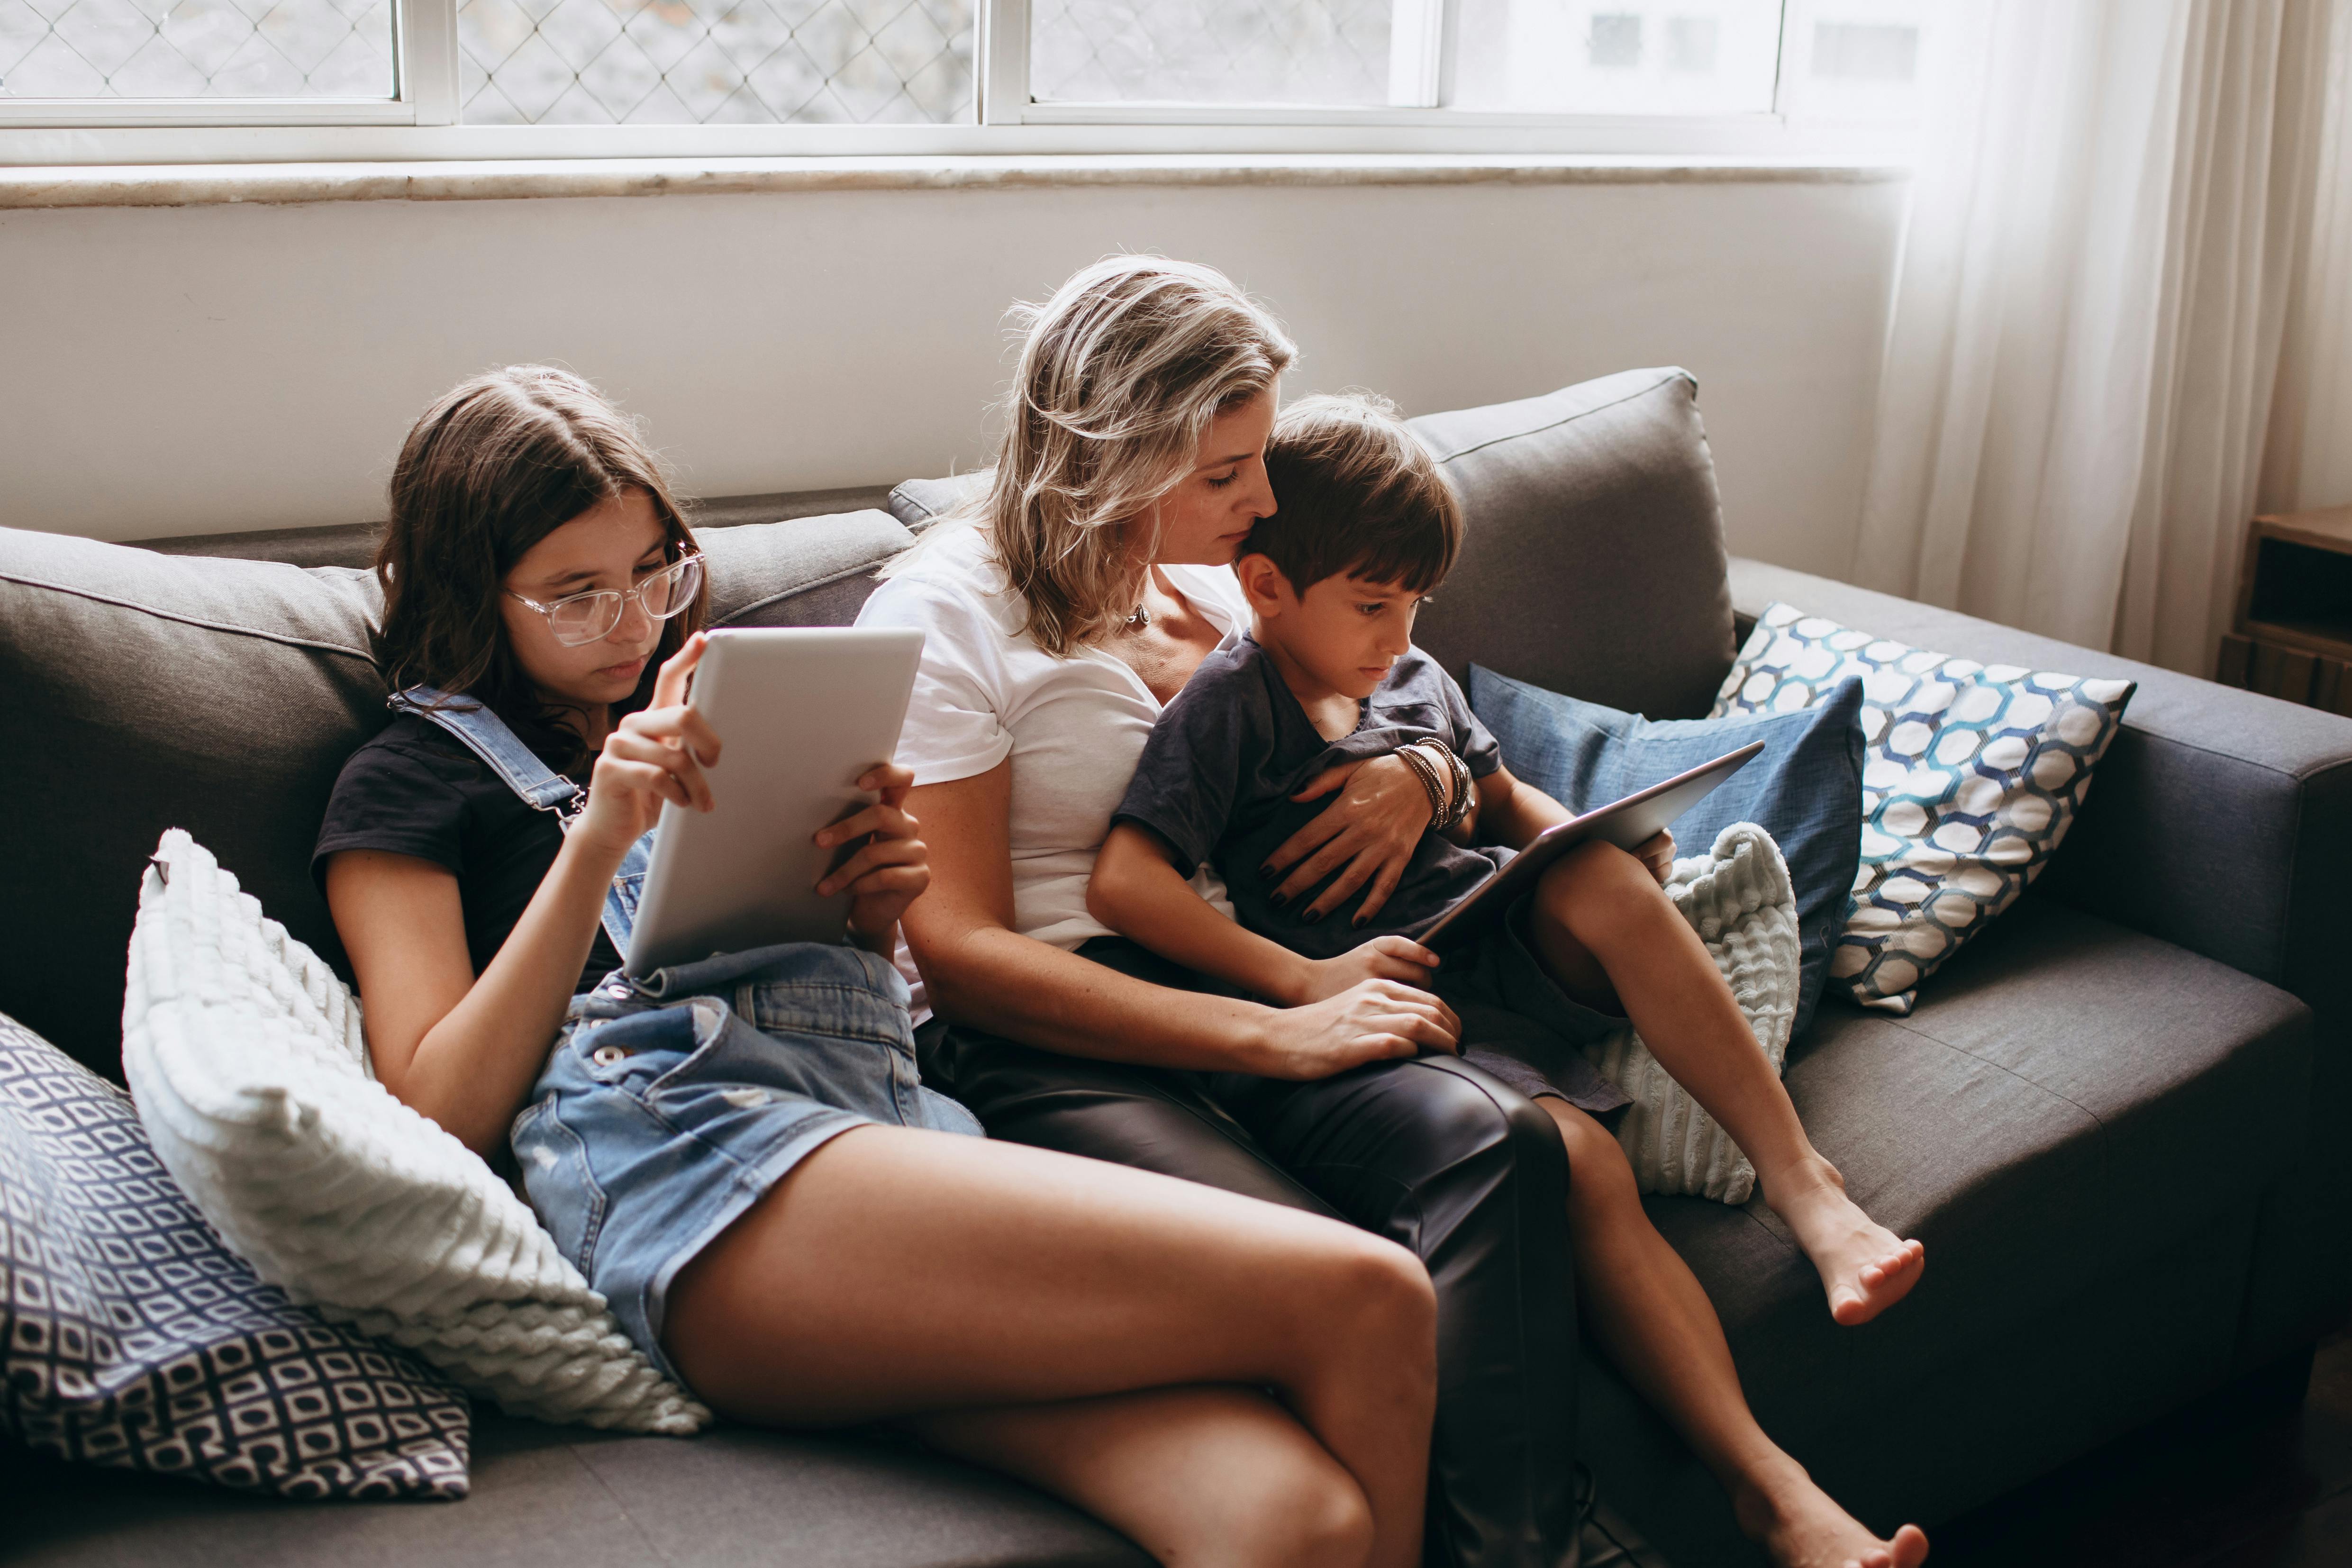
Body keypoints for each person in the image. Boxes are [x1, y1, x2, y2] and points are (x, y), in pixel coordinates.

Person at [317, 364, 1443, 1568]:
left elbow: (807, 987)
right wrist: (597, 840)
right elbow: (437, 1105)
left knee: (1288, 1513)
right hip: (686, 1168)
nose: (633, 623)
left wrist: (871, 908)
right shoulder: (408, 783)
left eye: (653, 572)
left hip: (873, 1121)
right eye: (576, 595)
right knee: (1369, 1293)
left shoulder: (720, 707)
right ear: (472, 592)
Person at [1086, 392, 1932, 1568]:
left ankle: (1804, 1184)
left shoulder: (1409, 674)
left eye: (1414, 604)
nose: (1397, 633)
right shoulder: (1231, 704)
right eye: (1371, 605)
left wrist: (1587, 834)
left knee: (1602, 880)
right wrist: (1303, 979)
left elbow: (1499, 799)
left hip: (1490, 926)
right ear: (1266, 587)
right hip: (1411, 999)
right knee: (1578, 1162)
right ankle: (1771, 1488)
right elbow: (1127, 880)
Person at [858, 256, 1586, 1568]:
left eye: (1258, 459)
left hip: (1236, 970)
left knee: (1501, 1143)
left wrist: (1427, 775)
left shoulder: (1210, 577)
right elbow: (958, 955)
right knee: (1310, 1263)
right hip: (1046, 1034)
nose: (1265, 498)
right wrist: (1279, 1026)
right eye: (1226, 472)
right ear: (1111, 454)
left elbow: (1399, 692)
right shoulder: (945, 613)